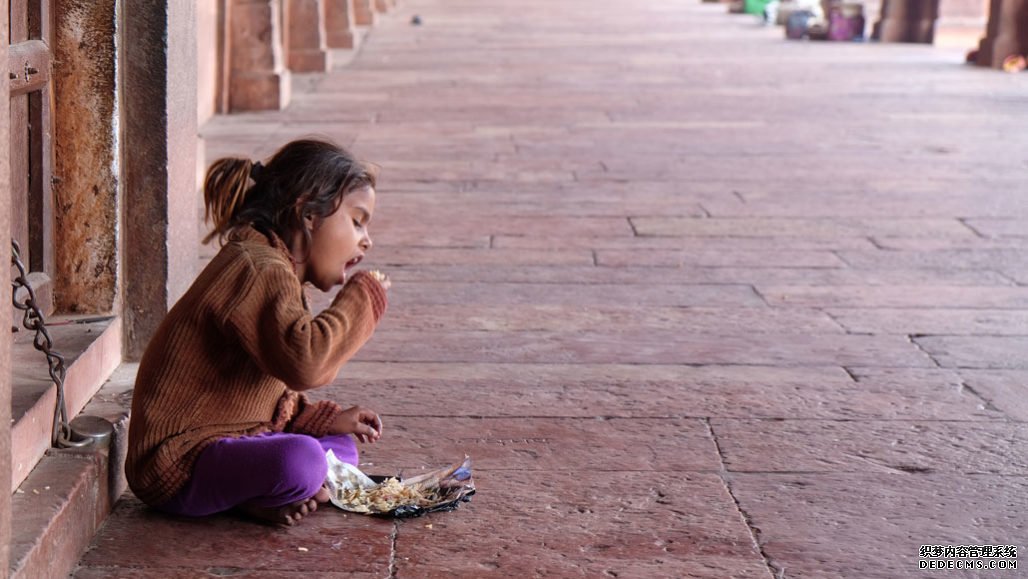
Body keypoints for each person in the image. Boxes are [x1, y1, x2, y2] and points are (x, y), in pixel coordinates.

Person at [125, 138, 389, 526]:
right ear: (308, 213)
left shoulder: (278, 269)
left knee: (342, 449)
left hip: (233, 440)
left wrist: (322, 420)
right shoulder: (257, 267)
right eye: (356, 220)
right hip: (178, 462)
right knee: (304, 462)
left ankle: (257, 496)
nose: (366, 239)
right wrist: (361, 300)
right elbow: (306, 364)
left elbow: (263, 393)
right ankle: (262, 493)